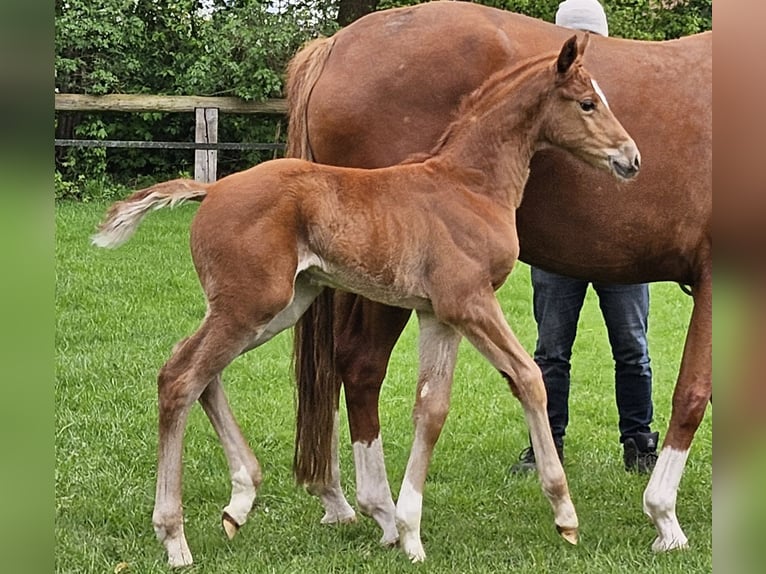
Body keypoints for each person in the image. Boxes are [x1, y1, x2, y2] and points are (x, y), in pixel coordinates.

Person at [510, 0, 659, 474]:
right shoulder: (546, 95)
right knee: (551, 351)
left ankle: (639, 440)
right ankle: (545, 443)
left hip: (622, 245)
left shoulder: (628, 94)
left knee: (631, 348)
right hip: (559, 246)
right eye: (573, 41)